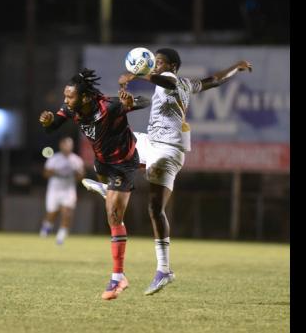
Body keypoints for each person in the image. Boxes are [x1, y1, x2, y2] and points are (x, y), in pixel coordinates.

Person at [83, 48, 252, 295]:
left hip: (168, 151)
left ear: (172, 66)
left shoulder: (170, 79)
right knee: (120, 141)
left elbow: (163, 80)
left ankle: (163, 269)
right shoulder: (187, 83)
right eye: (155, 61)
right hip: (152, 142)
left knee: (155, 207)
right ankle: (112, 185)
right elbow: (214, 80)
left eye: (160, 62)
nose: (156, 65)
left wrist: (138, 75)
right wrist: (236, 66)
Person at [39, 68, 151, 300]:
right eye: (65, 96)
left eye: (70, 97)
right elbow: (52, 127)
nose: (66, 101)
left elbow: (145, 101)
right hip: (102, 165)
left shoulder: (109, 106)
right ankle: (106, 189)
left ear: (86, 97)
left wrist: (132, 101)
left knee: (113, 215)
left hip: (124, 163)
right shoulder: (72, 109)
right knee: (112, 207)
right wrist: (48, 122)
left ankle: (118, 277)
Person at [39, 136, 85, 245]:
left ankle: (61, 237)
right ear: (61, 145)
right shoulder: (54, 158)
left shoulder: (76, 160)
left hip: (68, 190)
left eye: (69, 145)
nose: (67, 147)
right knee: (52, 213)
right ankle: (46, 228)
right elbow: (45, 174)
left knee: (67, 212)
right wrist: (54, 172)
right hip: (54, 190)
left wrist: (78, 173)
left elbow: (81, 177)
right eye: (65, 144)